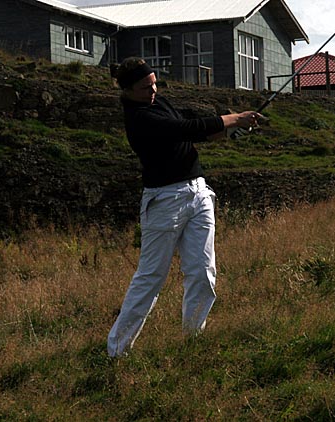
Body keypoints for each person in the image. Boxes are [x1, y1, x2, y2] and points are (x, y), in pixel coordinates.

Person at [107, 57, 262, 357]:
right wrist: (235, 119)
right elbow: (184, 128)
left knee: (203, 271)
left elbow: (195, 127)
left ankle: (193, 343)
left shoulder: (157, 102)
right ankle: (117, 350)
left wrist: (229, 129)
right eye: (145, 87)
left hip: (198, 192)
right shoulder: (139, 118)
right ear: (127, 90)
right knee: (151, 277)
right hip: (164, 201)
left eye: (154, 83)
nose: (153, 90)